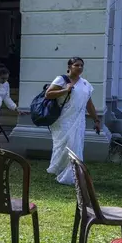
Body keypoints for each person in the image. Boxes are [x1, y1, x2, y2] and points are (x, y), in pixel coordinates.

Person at [46, 57, 101, 185]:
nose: (80, 67)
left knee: (75, 146)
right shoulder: (61, 79)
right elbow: (48, 94)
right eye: (77, 65)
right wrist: (65, 90)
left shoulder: (86, 84)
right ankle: (62, 171)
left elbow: (89, 104)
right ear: (70, 66)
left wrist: (96, 120)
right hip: (63, 119)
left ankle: (73, 175)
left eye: (82, 65)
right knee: (65, 146)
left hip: (79, 120)